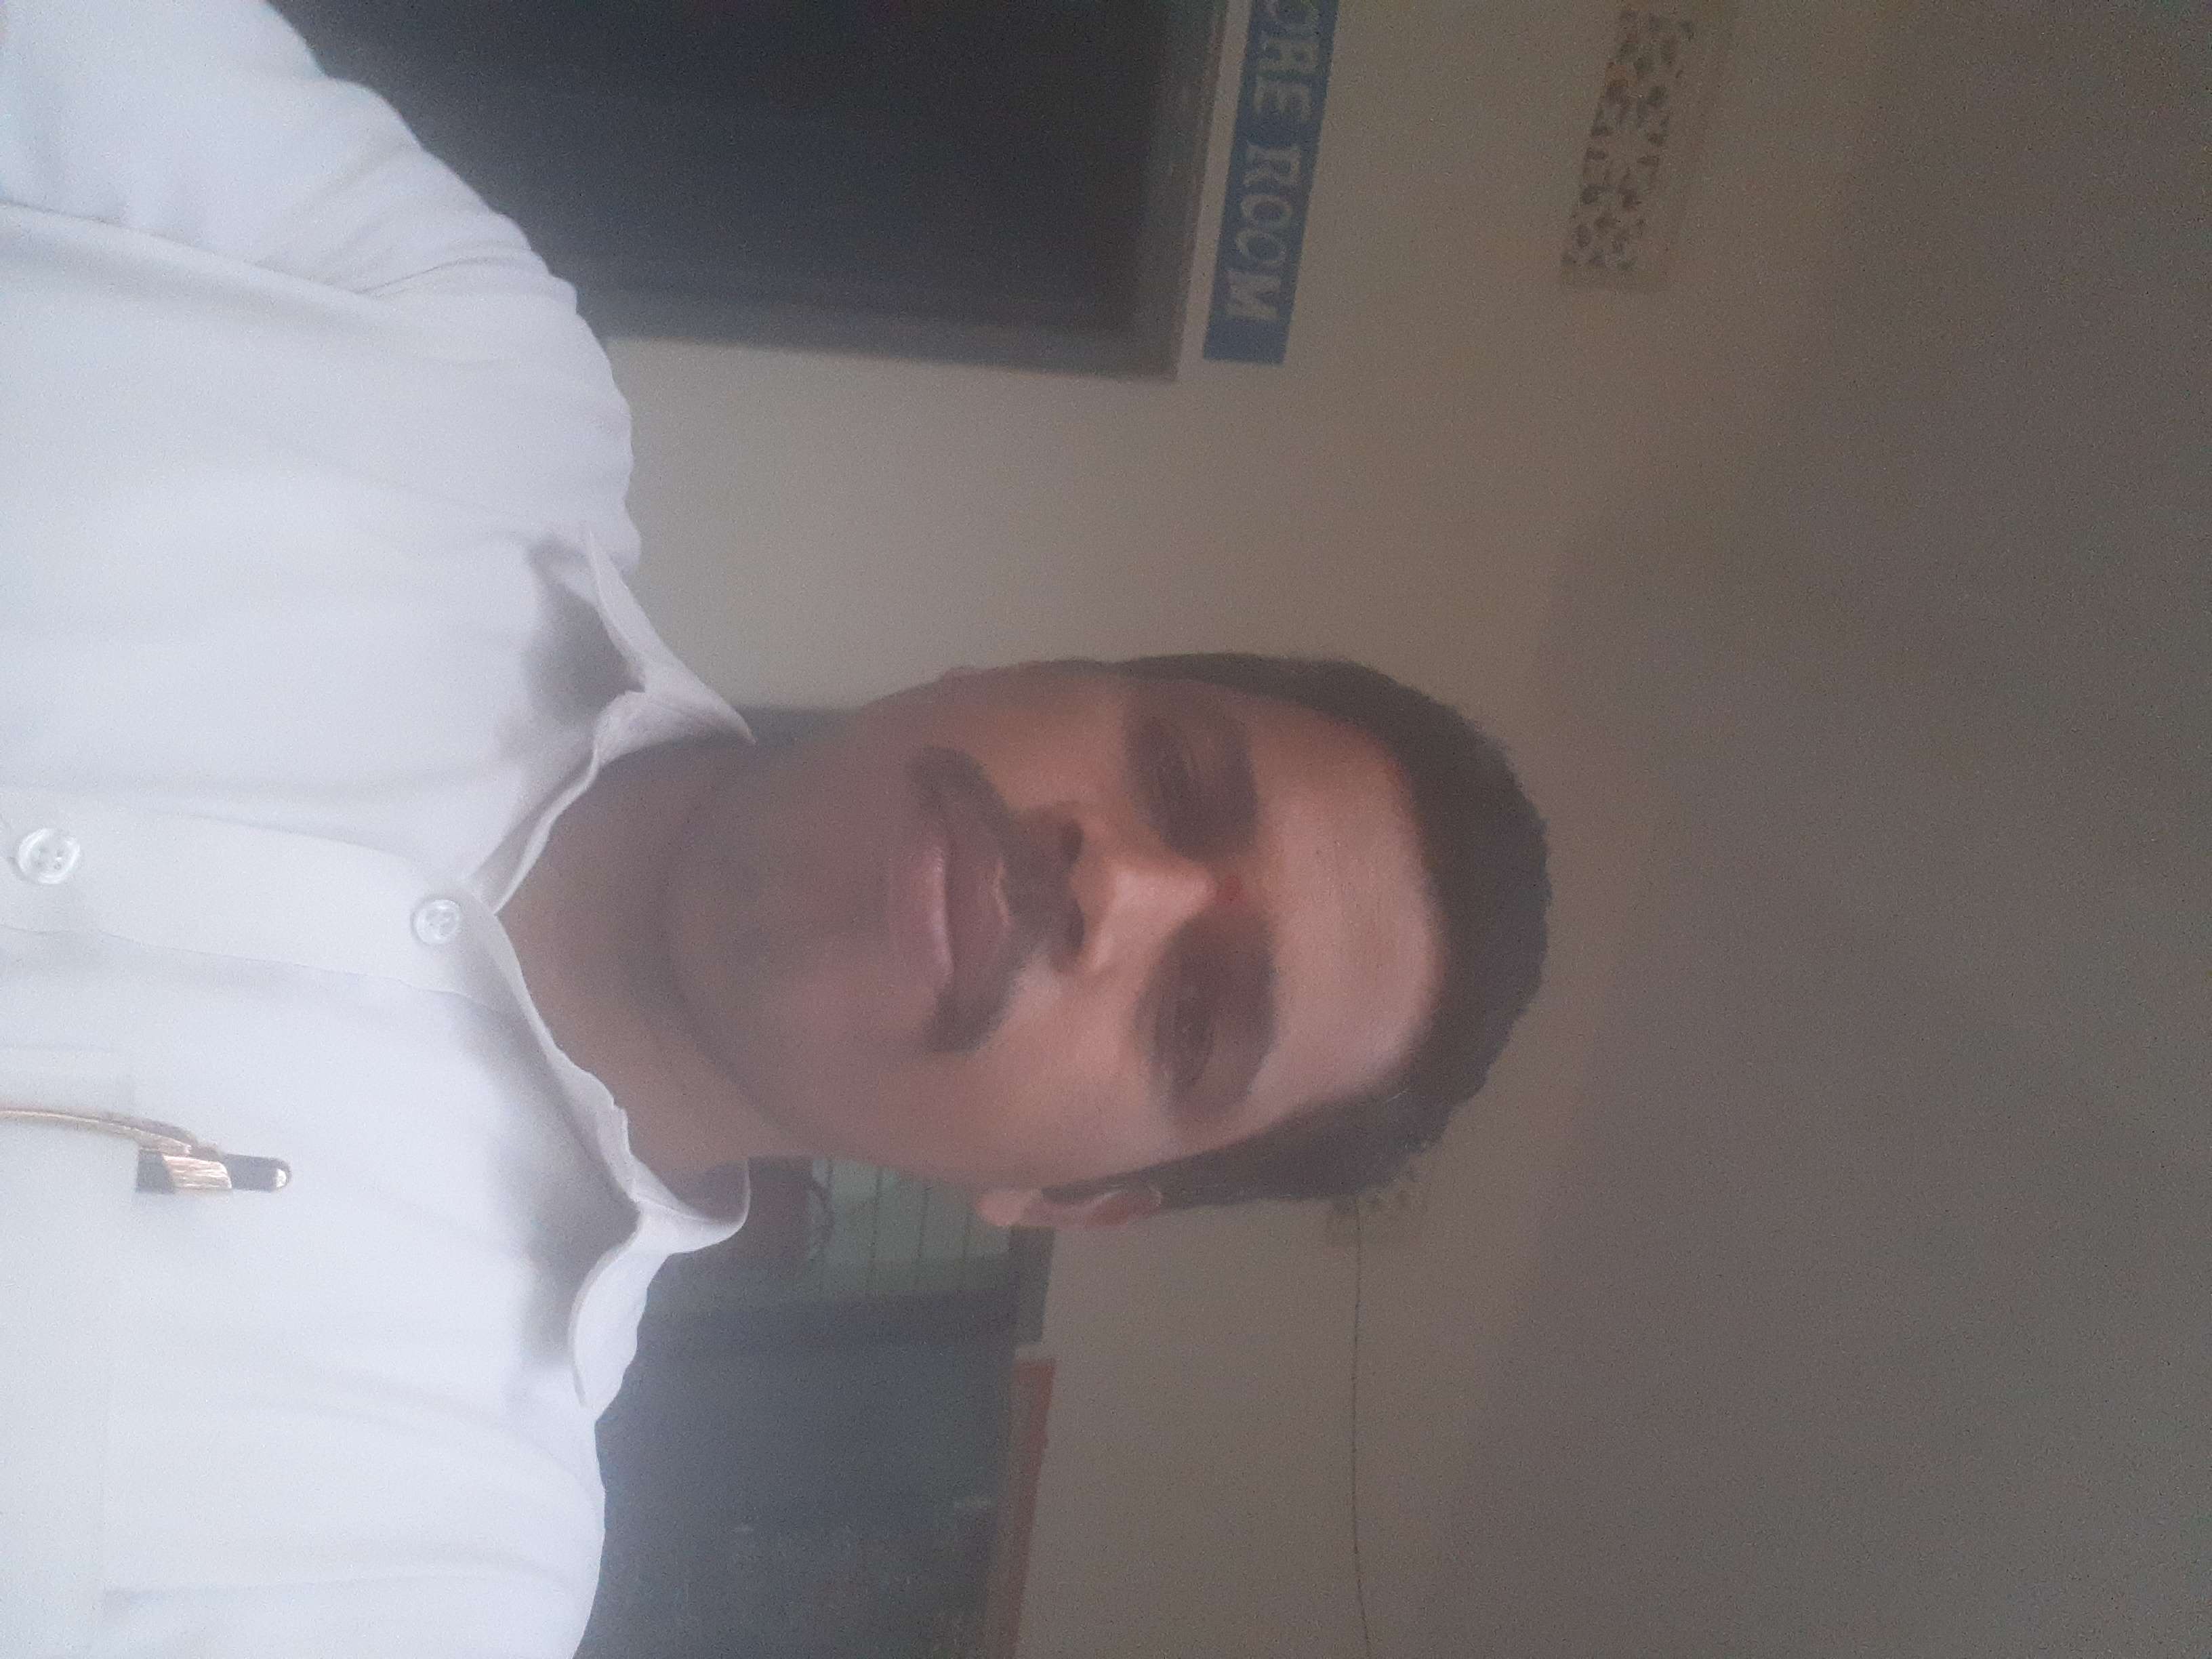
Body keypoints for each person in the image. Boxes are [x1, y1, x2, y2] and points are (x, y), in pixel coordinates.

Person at [0, 1, 1548, 1654]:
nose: (1120, 885)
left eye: (1194, 1016)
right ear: (1026, 670)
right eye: (1175, 776)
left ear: (1066, 1200)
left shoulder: (425, 1564)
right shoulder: (457, 358)